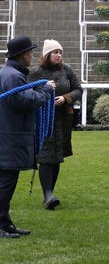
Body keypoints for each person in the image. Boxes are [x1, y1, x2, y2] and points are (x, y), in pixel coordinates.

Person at [0, 36, 55, 238]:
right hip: (11, 138)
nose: (32, 56)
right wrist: (46, 91)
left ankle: (5, 223)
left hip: (7, 136)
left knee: (6, 182)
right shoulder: (13, 76)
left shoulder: (8, 73)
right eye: (31, 52)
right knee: (6, 183)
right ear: (23, 54)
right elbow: (23, 101)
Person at [28, 39, 82, 210]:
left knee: (57, 156)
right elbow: (28, 93)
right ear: (47, 55)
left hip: (63, 121)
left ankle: (49, 193)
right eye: (55, 52)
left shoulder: (66, 70)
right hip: (43, 120)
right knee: (46, 156)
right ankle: (48, 194)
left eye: (60, 52)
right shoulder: (36, 72)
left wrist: (66, 98)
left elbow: (78, 89)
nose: (59, 55)